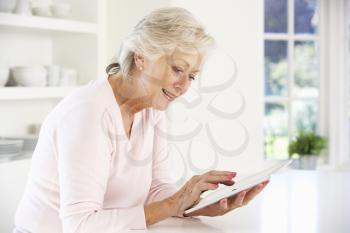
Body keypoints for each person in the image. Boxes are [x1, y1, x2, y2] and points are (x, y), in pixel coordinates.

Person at [13, 7, 268, 233]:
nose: (183, 86)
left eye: (191, 76)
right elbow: (79, 225)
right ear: (141, 57)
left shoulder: (152, 109)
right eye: (178, 69)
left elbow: (156, 191)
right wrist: (174, 203)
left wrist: (199, 205)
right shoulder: (88, 114)